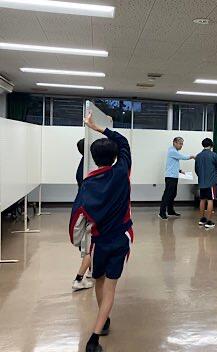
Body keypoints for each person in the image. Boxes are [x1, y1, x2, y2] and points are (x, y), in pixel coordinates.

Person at [69, 112, 134, 352]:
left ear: (93, 158)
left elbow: (78, 216)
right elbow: (123, 142)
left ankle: (102, 320)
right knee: (111, 287)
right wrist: (97, 127)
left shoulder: (88, 184)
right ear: (116, 157)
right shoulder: (122, 172)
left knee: (99, 280)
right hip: (120, 238)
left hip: (98, 241)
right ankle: (94, 338)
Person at [72, 138, 93, 291]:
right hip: (87, 208)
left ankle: (91, 271)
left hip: (82, 205)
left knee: (89, 244)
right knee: (90, 246)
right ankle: (79, 279)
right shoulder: (87, 167)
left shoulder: (84, 164)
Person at [195, 138, 217, 229]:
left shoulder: (198, 156)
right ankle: (209, 221)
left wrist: (201, 177)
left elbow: (196, 170)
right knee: (210, 200)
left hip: (202, 182)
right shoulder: (214, 155)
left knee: (202, 200)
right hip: (211, 182)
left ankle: (202, 219)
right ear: (211, 145)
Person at [159, 137, 195, 220]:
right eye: (180, 143)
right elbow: (182, 157)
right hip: (170, 177)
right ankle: (162, 213)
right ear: (174, 143)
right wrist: (192, 156)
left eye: (182, 144)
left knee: (173, 194)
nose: (181, 145)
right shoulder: (172, 151)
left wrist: (180, 171)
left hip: (174, 176)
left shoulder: (174, 151)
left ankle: (170, 211)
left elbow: (173, 164)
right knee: (167, 194)